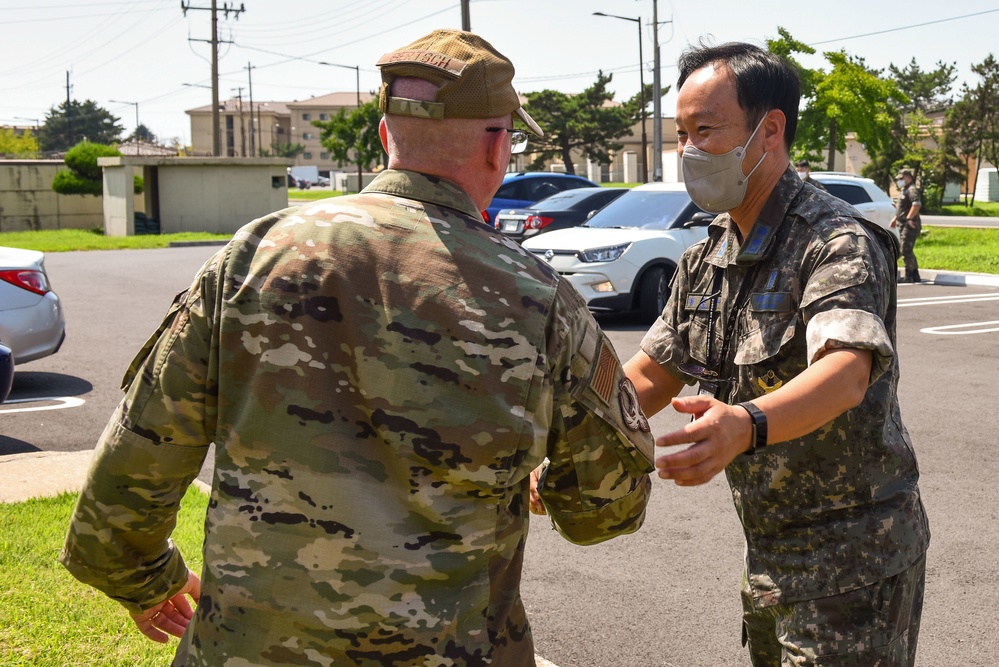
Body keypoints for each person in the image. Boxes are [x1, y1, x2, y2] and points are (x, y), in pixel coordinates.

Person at [60, 29, 655, 667]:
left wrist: (147, 583)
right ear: (497, 144)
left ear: (384, 137)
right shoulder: (539, 300)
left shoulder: (252, 258)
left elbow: (123, 488)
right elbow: (605, 510)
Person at [623, 42, 930, 666]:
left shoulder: (835, 241)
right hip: (769, 557)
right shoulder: (706, 258)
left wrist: (746, 422)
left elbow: (845, 373)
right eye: (682, 133)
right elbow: (652, 372)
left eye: (706, 130)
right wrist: (570, 436)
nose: (689, 151)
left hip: (856, 562)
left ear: (770, 130)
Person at [893, 168, 923, 282]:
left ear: (908, 177)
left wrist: (909, 218)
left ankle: (909, 276)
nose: (899, 181)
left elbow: (916, 204)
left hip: (909, 225)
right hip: (903, 224)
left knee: (905, 250)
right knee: (908, 249)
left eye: (901, 178)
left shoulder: (911, 189)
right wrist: (895, 218)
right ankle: (915, 274)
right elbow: (903, 208)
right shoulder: (904, 189)